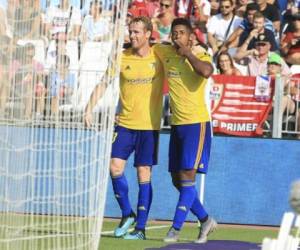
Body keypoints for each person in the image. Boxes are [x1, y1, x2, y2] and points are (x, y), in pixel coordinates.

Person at [84, 16, 164, 240]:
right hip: (125, 124)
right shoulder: (121, 57)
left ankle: (140, 228)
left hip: (149, 127)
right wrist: (89, 108)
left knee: (143, 173)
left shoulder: (160, 55)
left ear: (148, 33)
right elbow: (103, 82)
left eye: (137, 32)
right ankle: (126, 213)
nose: (133, 35)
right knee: (115, 167)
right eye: (131, 31)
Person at [153, 18, 217, 244]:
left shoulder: (200, 54)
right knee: (176, 180)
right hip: (177, 125)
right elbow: (146, 48)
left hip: (197, 124)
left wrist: (188, 53)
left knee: (188, 177)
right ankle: (206, 219)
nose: (176, 36)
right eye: (174, 32)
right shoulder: (164, 51)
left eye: (181, 32)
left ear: (190, 36)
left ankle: (175, 229)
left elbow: (207, 72)